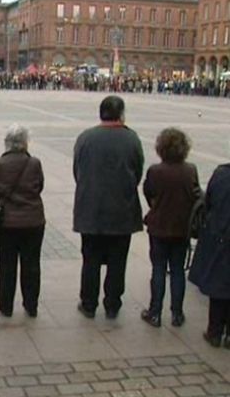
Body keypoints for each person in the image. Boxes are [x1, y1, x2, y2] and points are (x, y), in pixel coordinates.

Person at [73, 96, 144, 319]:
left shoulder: (85, 137)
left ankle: (88, 303)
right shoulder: (132, 139)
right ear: (121, 114)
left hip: (90, 210)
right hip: (121, 211)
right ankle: (112, 305)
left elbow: (78, 171)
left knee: (90, 259)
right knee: (117, 261)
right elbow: (138, 171)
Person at [141, 128, 200, 328]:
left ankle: (155, 312)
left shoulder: (155, 171)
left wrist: (156, 207)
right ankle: (177, 313)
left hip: (159, 227)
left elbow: (148, 193)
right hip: (181, 228)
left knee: (158, 268)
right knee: (177, 270)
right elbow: (196, 195)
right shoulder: (190, 169)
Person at [0, 124, 45, 317]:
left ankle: (6, 306)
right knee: (31, 264)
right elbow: (39, 186)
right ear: (25, 143)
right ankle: (31, 305)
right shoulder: (34, 163)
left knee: (7, 265)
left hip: (7, 222)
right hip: (33, 220)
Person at [188, 157, 230, 349]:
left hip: (220, 236)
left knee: (218, 286)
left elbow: (209, 202)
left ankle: (214, 331)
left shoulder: (221, 174)